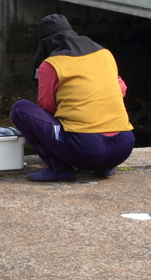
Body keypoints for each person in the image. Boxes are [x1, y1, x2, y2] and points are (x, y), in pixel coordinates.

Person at [11, 14, 134, 182]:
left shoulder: (51, 64)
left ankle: (58, 168)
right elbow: (121, 89)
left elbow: (47, 107)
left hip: (86, 149)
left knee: (20, 109)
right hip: (124, 146)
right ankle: (104, 167)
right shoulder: (105, 54)